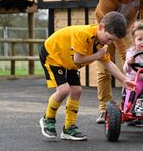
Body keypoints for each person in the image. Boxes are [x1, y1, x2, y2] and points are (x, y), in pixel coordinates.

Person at [39, 12, 136, 141]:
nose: (110, 42)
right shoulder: (84, 34)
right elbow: (79, 59)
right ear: (101, 27)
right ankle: (48, 119)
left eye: (113, 40)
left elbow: (108, 63)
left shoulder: (100, 43)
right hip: (53, 56)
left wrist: (124, 80)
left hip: (69, 61)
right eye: (109, 38)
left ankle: (69, 128)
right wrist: (98, 55)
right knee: (63, 90)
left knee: (77, 90)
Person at [94, 0, 143, 124]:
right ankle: (104, 108)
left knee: (138, 65)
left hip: (129, 26)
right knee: (104, 67)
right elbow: (114, 32)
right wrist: (128, 56)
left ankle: (136, 106)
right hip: (106, 28)